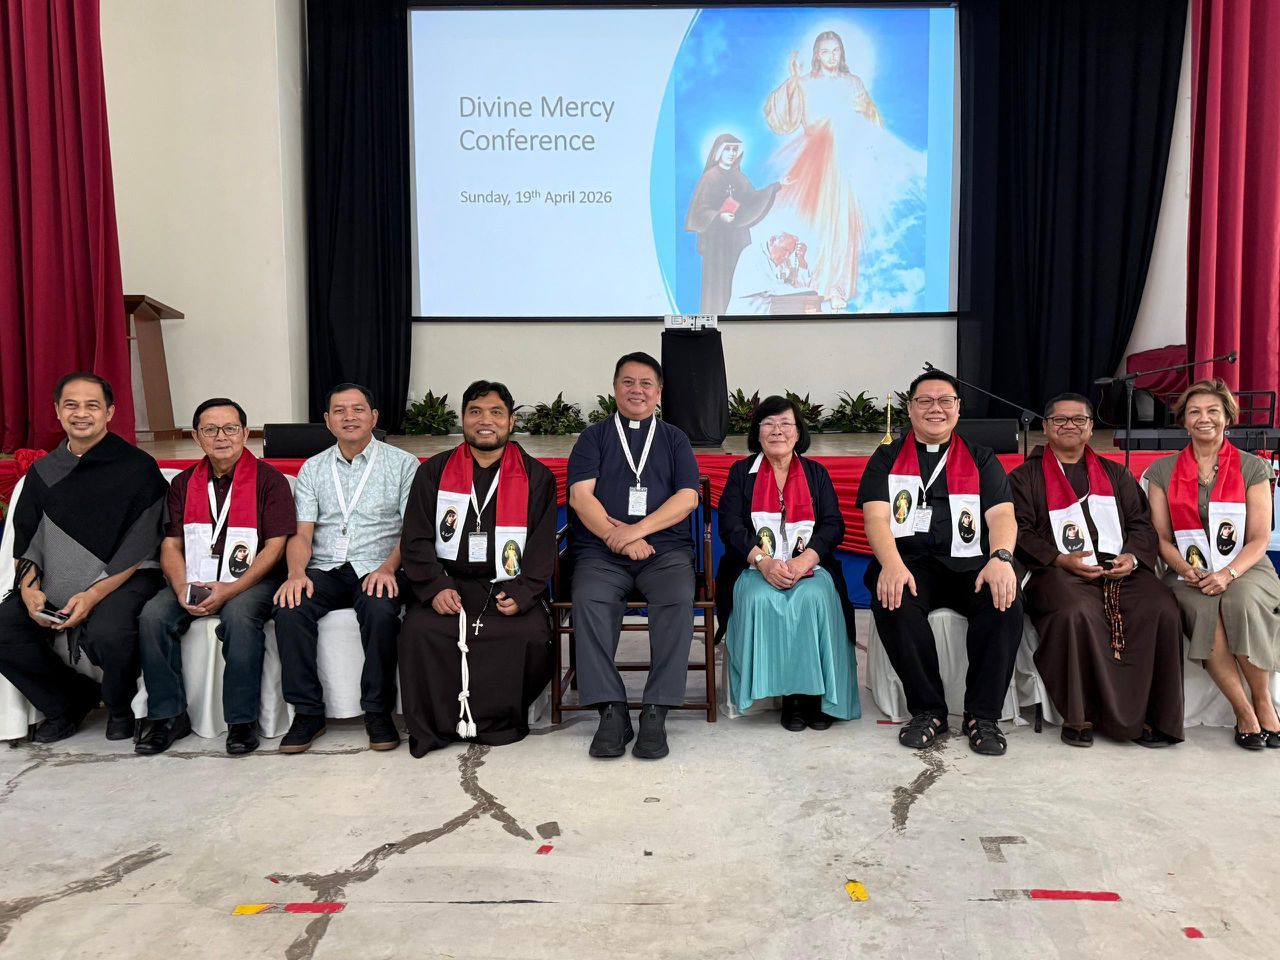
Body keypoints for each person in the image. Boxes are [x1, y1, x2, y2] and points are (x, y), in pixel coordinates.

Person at [856, 371, 1021, 755]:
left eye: (945, 400)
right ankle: (928, 711)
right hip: (908, 561)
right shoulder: (886, 457)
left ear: (958, 409)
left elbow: (1002, 515)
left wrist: (1000, 558)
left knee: (1004, 602)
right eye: (925, 401)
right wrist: (891, 564)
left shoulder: (981, 458)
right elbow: (876, 517)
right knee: (893, 599)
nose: (936, 408)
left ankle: (983, 716)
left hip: (971, 564)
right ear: (910, 408)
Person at [1009, 393, 1183, 747]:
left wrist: (1131, 557)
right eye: (1060, 420)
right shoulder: (1024, 478)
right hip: (1055, 568)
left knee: (1161, 607)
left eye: (1079, 420)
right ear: (1046, 427)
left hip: (1119, 565)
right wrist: (1060, 559)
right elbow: (1020, 531)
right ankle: (1080, 715)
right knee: (1074, 611)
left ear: (1090, 428)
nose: (1069, 426)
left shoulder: (1115, 474)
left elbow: (1141, 524)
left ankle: (1151, 717)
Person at [0, 373, 167, 742]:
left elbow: (140, 543)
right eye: (71, 405)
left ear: (110, 412)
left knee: (110, 632)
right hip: (56, 576)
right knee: (5, 627)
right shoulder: (44, 471)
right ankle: (68, 702)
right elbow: (27, 537)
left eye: (92, 405)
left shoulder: (137, 467)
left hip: (126, 575)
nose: (81, 413)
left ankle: (120, 707)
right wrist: (29, 590)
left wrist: (92, 595)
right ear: (57, 411)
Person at [399, 381, 556, 757]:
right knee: (419, 631)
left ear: (511, 422)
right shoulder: (434, 472)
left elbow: (542, 547)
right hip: (448, 583)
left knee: (529, 635)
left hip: (506, 584)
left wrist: (523, 592)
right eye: (476, 412)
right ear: (463, 419)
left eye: (496, 412)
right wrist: (435, 586)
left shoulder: (536, 477)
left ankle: (500, 723)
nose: (485, 421)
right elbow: (416, 539)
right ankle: (439, 725)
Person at [135, 398, 296, 756]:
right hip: (195, 576)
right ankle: (167, 716)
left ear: (245, 433)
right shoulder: (183, 484)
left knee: (240, 617)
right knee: (153, 616)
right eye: (210, 429)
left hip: (254, 580)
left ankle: (241, 721)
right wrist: (181, 587)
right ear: (196, 437)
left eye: (230, 428)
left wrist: (231, 589)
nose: (221, 437)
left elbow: (275, 548)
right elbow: (171, 545)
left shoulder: (269, 481)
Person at [272, 383, 420, 753]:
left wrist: (388, 569)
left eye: (357, 409)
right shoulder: (313, 468)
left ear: (374, 416)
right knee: (289, 608)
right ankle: (308, 712)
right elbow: (302, 533)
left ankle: (378, 711)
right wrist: (296, 574)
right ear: (327, 420)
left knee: (380, 609)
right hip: (326, 567)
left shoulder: (403, 465)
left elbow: (411, 531)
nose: (349, 417)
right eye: (339, 410)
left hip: (379, 565)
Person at [567, 352, 701, 759]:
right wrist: (618, 539)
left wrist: (635, 532)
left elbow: (688, 498)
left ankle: (657, 708)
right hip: (602, 553)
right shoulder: (594, 437)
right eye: (628, 382)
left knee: (678, 597)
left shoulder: (675, 439)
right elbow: (580, 497)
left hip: (665, 551)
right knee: (588, 598)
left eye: (646, 383)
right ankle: (611, 708)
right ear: (614, 388)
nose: (636, 390)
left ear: (658, 392)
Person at [1145, 379, 1280, 750]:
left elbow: (1259, 538)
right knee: (1205, 608)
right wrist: (1185, 569)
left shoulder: (1253, 467)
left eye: (1212, 411)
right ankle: (1243, 711)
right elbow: (1162, 538)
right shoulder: (1162, 471)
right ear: (1184, 422)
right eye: (1194, 412)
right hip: (1187, 569)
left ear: (1227, 418)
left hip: (1245, 566)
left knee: (1240, 601)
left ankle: (1263, 702)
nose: (1204, 418)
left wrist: (1227, 573)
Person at [716, 395, 860, 728]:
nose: (777, 430)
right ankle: (792, 699)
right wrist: (764, 562)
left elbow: (833, 525)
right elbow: (730, 525)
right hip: (753, 566)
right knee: (760, 597)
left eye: (785, 423)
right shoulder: (742, 473)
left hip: (810, 565)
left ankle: (816, 698)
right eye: (768, 423)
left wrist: (803, 561)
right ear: (757, 432)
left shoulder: (815, 473)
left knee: (813, 597)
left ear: (798, 432)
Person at [765, 30, 924, 308]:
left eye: (836, 50)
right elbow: (781, 117)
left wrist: (866, 111)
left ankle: (836, 285)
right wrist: (792, 80)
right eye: (825, 51)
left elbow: (872, 120)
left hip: (847, 161)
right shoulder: (805, 82)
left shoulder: (853, 83)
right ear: (817, 55)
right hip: (815, 162)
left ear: (842, 53)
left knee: (843, 224)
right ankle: (809, 280)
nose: (831, 56)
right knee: (814, 221)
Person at [684, 134, 784, 315]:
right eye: (728, 149)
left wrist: (777, 186)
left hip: (737, 241)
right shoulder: (710, 177)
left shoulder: (739, 177)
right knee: (718, 286)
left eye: (734, 149)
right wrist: (719, 216)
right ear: (718, 152)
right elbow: (699, 211)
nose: (731, 153)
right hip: (717, 245)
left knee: (740, 280)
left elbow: (753, 199)